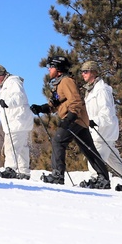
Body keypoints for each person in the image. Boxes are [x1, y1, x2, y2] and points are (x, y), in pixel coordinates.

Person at [29, 56, 109, 188]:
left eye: (51, 67)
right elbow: (57, 102)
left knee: (58, 141)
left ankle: (57, 175)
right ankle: (103, 178)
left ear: (58, 69)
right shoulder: (60, 83)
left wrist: (69, 118)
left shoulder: (66, 81)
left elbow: (76, 101)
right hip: (79, 120)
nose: (49, 69)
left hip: (75, 118)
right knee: (88, 148)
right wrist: (41, 108)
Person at [79, 60, 122, 191]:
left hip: (103, 130)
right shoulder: (91, 90)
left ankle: (98, 179)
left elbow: (107, 112)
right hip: (100, 130)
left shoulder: (102, 90)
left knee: (95, 155)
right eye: (82, 71)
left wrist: (95, 121)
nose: (83, 74)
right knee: (113, 158)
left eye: (86, 71)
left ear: (93, 72)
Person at [0, 64, 32, 179]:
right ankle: (24, 172)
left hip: (17, 121)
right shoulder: (5, 86)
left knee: (11, 147)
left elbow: (19, 98)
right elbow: (2, 105)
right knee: (21, 147)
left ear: (0, 74)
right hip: (19, 121)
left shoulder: (13, 82)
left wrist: (8, 102)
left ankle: (11, 169)